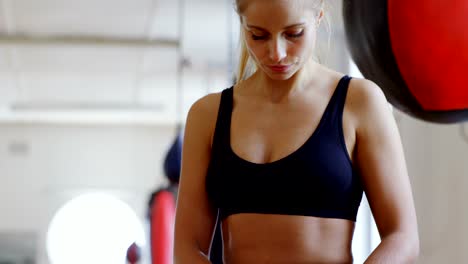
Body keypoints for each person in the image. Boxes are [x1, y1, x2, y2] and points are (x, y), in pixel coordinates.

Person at [174, 0, 419, 263]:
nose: (276, 53)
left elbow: (403, 237)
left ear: (318, 18)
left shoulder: (359, 102)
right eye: (258, 35)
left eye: (293, 34)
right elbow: (188, 247)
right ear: (243, 25)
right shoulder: (208, 115)